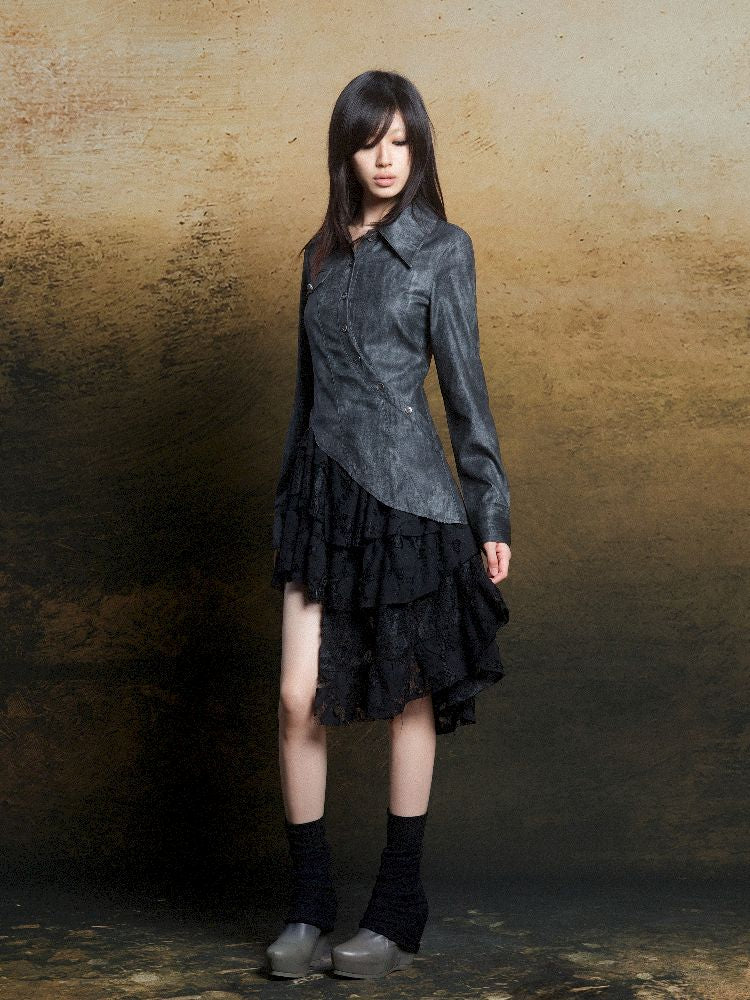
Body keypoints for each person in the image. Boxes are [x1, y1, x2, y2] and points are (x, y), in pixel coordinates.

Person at [266, 69, 512, 980]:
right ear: (346, 150)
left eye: (401, 143)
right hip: (323, 502)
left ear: (419, 151)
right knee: (297, 696)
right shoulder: (317, 256)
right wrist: (288, 506)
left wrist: (490, 509)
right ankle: (309, 903)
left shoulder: (443, 249)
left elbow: (466, 391)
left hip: (412, 503)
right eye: (371, 142)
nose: (385, 159)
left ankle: (397, 906)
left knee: (410, 692)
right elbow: (305, 401)